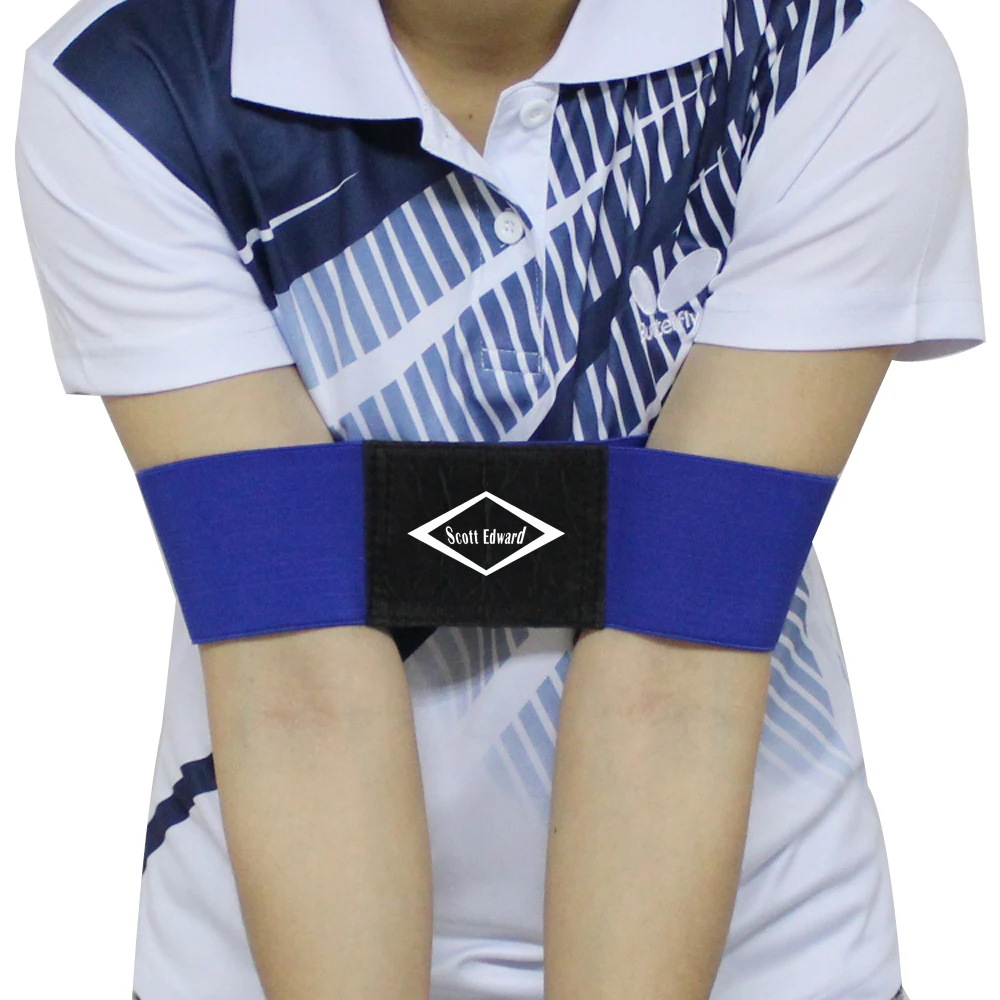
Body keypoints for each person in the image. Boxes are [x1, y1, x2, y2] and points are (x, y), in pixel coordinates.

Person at [14, 0, 985, 997]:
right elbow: (296, 676)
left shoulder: (832, 54)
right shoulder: (131, 82)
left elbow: (679, 664)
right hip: (263, 950)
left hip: (759, 948)